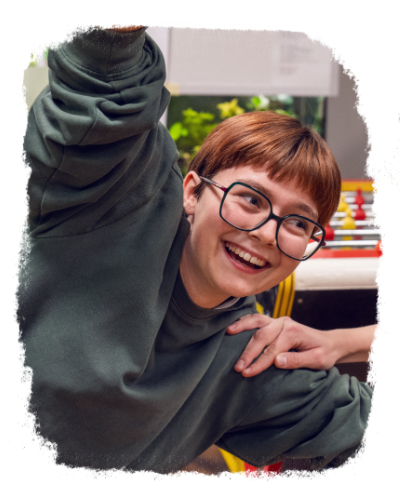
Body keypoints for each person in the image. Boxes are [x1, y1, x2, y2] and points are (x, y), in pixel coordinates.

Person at [16, 22, 375, 479]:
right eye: (251, 199)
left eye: (298, 222)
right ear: (192, 191)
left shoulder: (251, 357)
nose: (268, 233)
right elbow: (104, 80)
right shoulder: (114, 208)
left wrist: (348, 341)